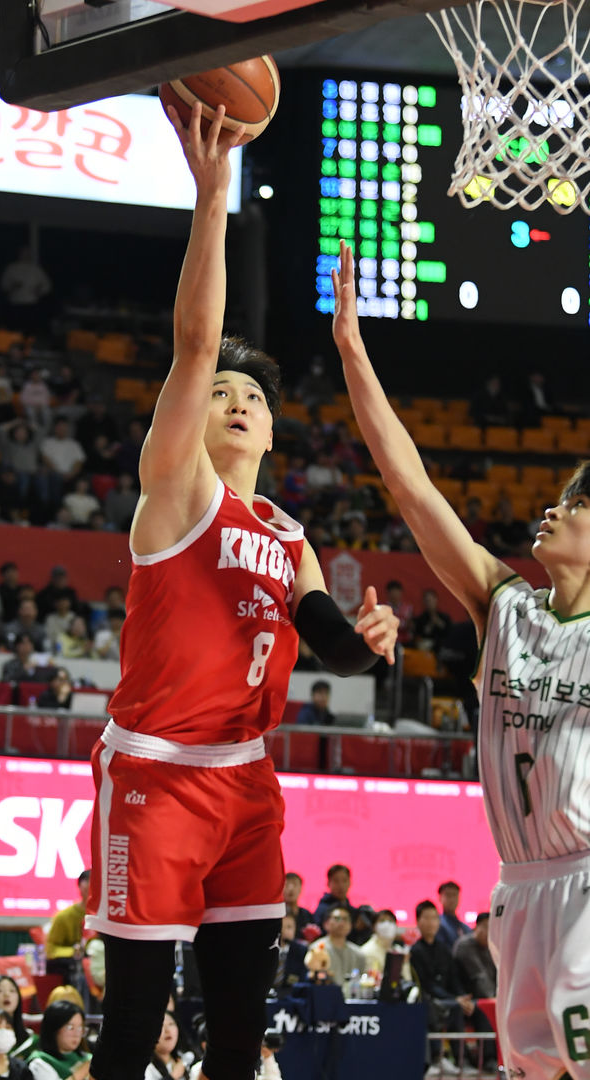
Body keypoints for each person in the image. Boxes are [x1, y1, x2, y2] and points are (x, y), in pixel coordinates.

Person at [84, 104, 398, 1080]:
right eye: (222, 394)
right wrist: (213, 193)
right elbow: (193, 344)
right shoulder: (179, 495)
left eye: (250, 398)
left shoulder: (288, 534)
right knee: (134, 1028)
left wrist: (367, 642)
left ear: (269, 435)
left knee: (233, 1029)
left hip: (247, 783)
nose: (233, 401)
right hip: (156, 776)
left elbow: (328, 644)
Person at [334, 236, 590, 1080]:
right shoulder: (502, 602)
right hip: (516, 886)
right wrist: (350, 348)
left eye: (574, 506)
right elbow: (411, 489)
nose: (551, 511)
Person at [409, 900, 473, 1077]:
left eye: (434, 918)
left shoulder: (444, 949)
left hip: (449, 997)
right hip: (428, 998)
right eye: (426, 918)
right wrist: (455, 1000)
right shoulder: (415, 951)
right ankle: (437, 1057)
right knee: (447, 1007)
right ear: (418, 921)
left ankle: (463, 1059)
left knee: (466, 1007)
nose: (431, 922)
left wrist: (461, 996)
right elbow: (426, 984)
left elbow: (453, 978)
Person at [45, 871, 92, 985]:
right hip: (72, 967)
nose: (90, 887)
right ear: (80, 887)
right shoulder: (63, 917)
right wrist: (74, 952)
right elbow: (51, 949)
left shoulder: (109, 916)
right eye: (86, 882)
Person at [26, 1001, 91, 1080]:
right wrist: (82, 1072)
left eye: (80, 1028)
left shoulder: (87, 1057)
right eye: (70, 1027)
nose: (77, 1034)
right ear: (53, 1029)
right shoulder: (40, 1062)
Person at [304, 907, 366, 988]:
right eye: (337, 918)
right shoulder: (317, 949)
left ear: (351, 925)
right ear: (326, 924)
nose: (341, 923)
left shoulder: (358, 953)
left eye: (345, 919)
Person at [144, 1011, 191, 1080]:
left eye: (171, 1024)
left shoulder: (184, 1057)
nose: (167, 1030)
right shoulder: (146, 1068)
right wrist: (173, 1076)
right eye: (160, 1025)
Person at [271, 913, 308, 997]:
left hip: (291, 996)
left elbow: (302, 980)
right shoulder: (266, 950)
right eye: (281, 926)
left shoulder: (301, 950)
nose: (284, 931)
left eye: (289, 927)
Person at [312, 863, 356, 931]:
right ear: (328, 883)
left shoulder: (353, 911)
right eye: (336, 881)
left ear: (350, 882)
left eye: (344, 880)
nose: (341, 885)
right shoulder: (321, 910)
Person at [435, 880, 471, 952]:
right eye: (448, 895)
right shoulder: (436, 924)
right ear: (440, 898)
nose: (452, 899)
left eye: (455, 895)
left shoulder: (466, 928)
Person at [282, 872, 314, 939]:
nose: (291, 888)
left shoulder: (307, 915)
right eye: (286, 885)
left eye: (295, 884)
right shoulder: (277, 914)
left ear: (301, 889)